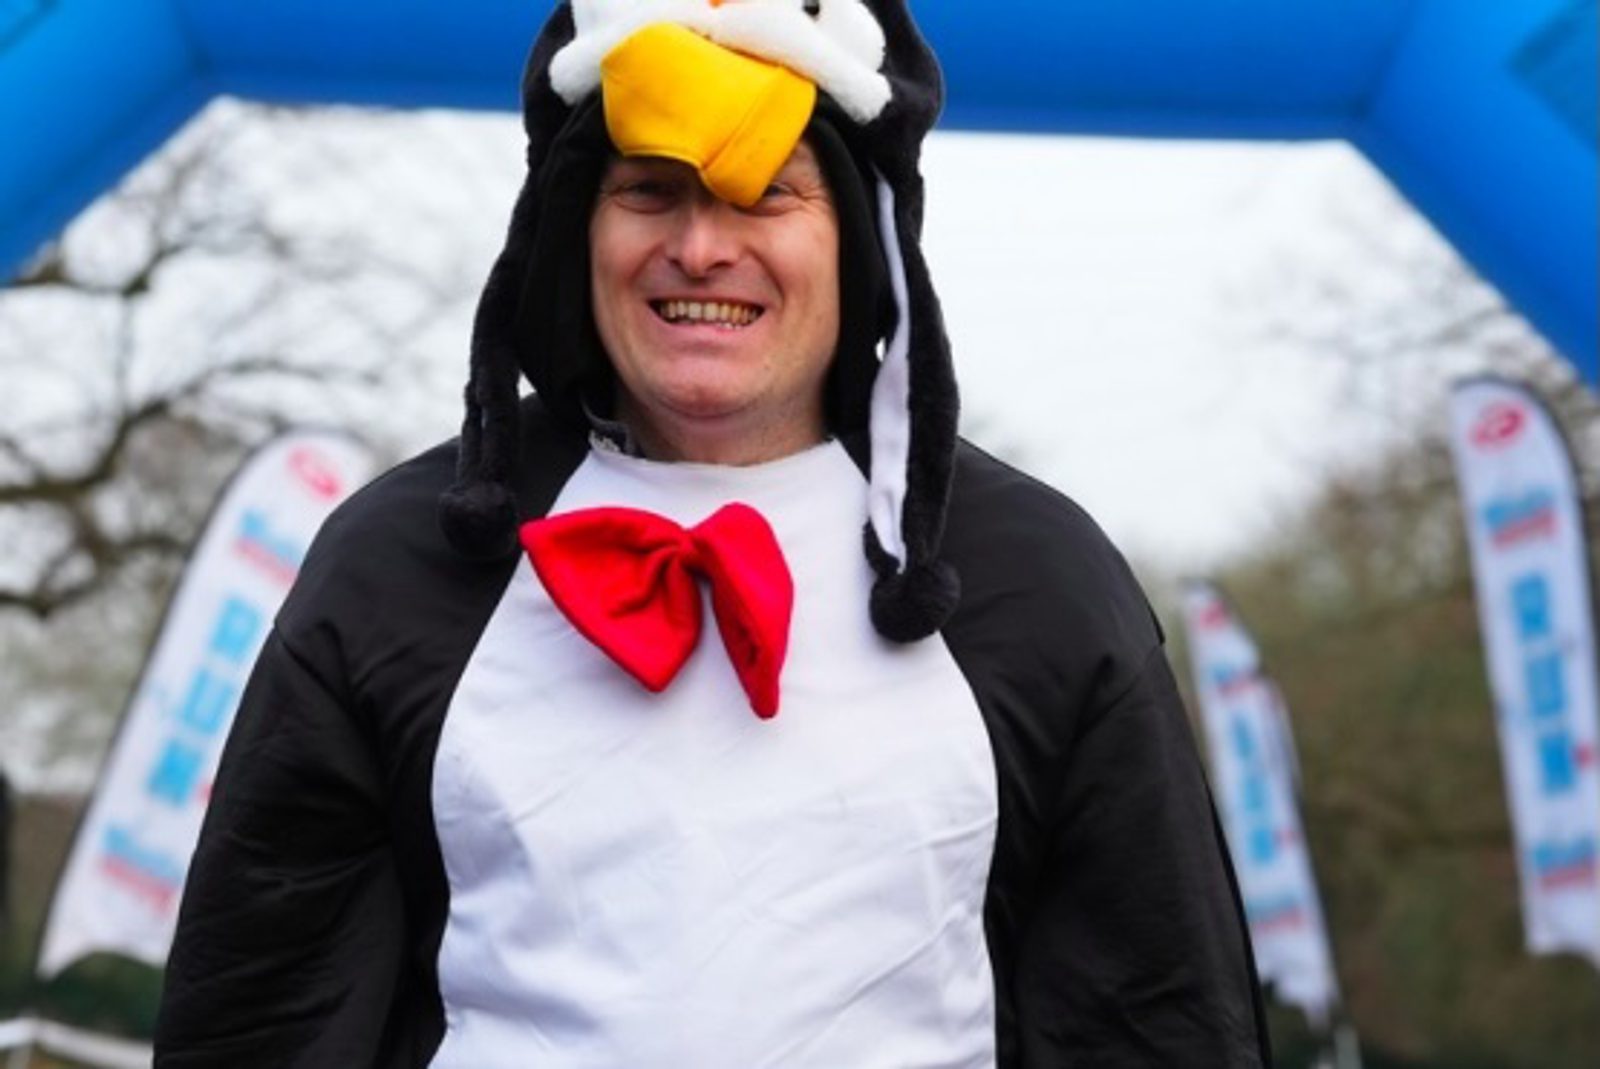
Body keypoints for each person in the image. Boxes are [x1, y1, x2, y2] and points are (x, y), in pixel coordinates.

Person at [156, 1, 1271, 1066]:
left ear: (857, 239)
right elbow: (268, 1012)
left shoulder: (1037, 581)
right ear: (573, 227)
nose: (699, 248)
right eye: (649, 192)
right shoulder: (399, 564)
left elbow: (1152, 1020)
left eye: (762, 196)